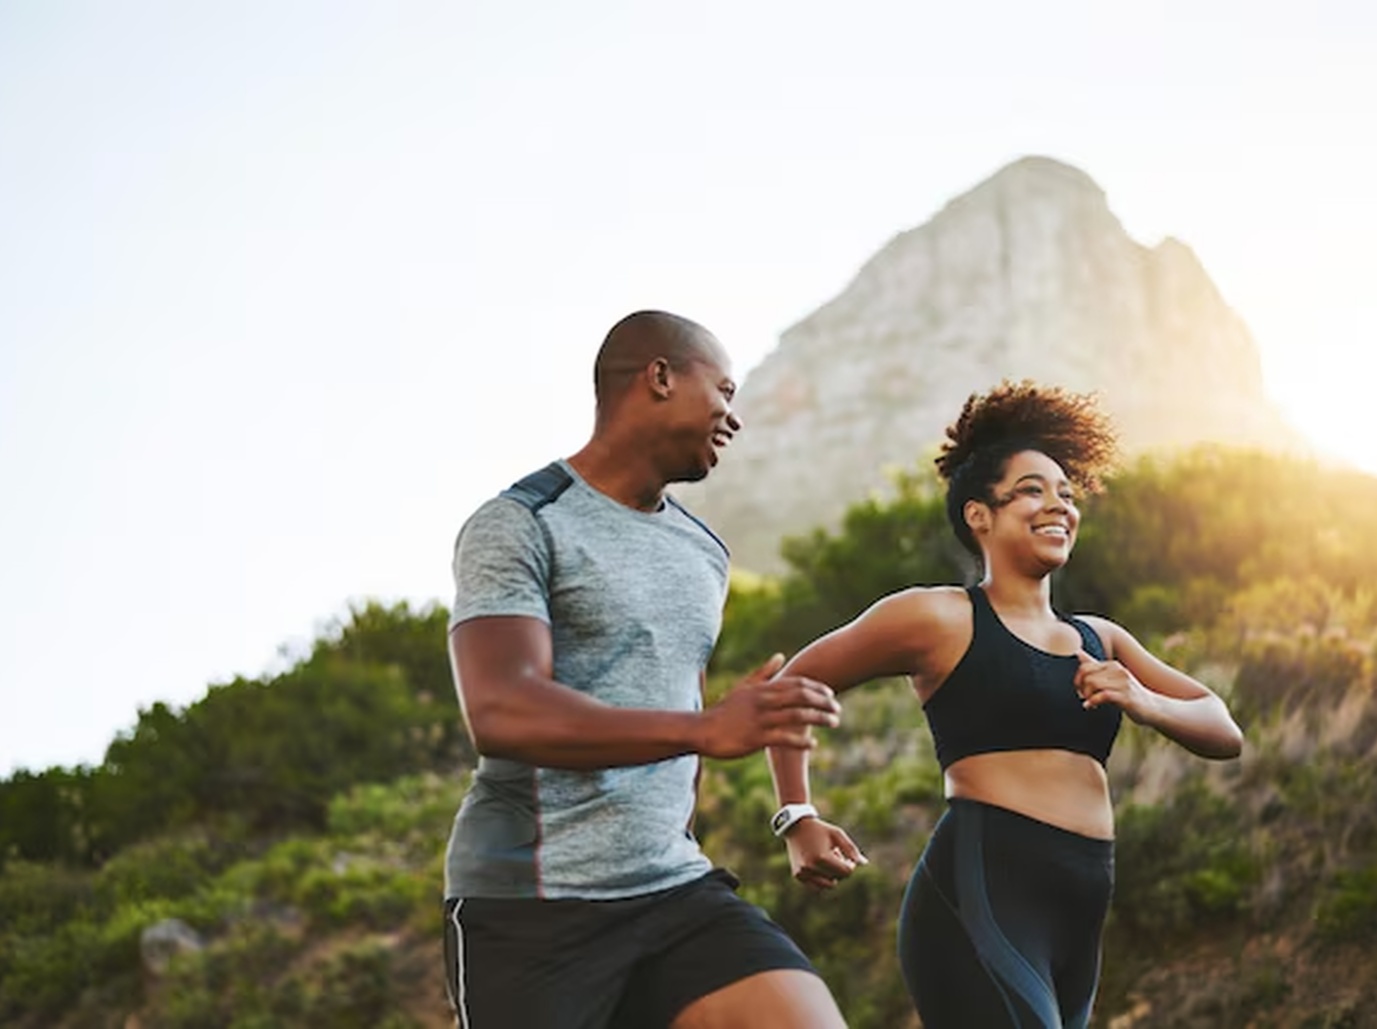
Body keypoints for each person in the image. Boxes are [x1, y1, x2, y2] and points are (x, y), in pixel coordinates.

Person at [766, 381, 1244, 1028]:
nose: (1057, 506)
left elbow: (1222, 728)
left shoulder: (1099, 638)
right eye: (1031, 490)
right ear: (978, 514)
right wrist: (797, 816)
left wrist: (1144, 701)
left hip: (1079, 908)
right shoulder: (935, 617)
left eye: (1066, 495)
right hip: (980, 897)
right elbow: (792, 686)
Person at [443, 310, 850, 1029]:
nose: (734, 417)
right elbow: (502, 711)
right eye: (723, 388)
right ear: (659, 377)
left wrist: (784, 804)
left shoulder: (702, 553)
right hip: (531, 907)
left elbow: (678, 714)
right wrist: (705, 727)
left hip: (673, 891)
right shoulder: (522, 522)